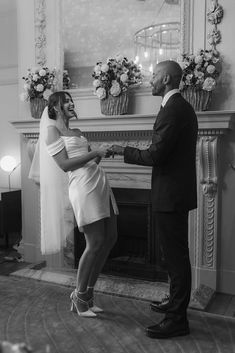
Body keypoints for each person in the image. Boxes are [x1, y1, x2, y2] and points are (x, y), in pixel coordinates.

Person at [111, 60, 198, 338]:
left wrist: (119, 149)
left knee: (176, 258)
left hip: (171, 195)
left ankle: (177, 321)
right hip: (171, 193)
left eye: (154, 76)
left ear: (168, 79)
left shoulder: (174, 109)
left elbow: (155, 155)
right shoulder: (174, 107)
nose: (150, 81)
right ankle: (174, 304)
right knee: (173, 256)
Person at [41, 91, 118, 317]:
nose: (71, 103)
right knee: (95, 243)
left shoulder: (78, 131)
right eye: (66, 101)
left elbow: (88, 159)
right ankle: (79, 295)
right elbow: (65, 165)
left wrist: (101, 154)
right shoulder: (51, 132)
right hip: (83, 186)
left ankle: (88, 296)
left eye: (71, 100)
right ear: (55, 107)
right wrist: (94, 151)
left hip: (99, 182)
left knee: (110, 238)